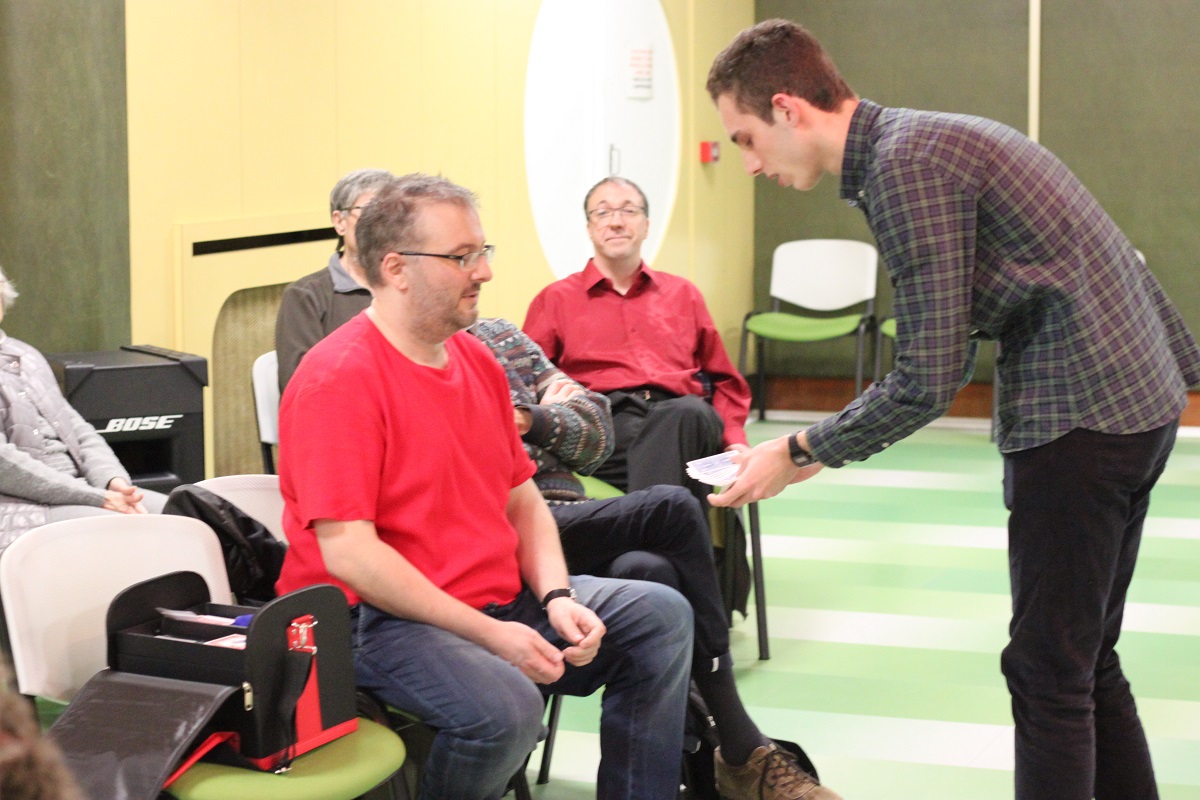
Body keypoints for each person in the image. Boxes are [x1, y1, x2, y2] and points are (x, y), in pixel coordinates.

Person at [707, 19, 1200, 800]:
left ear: (788, 109)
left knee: (1047, 670)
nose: (749, 163)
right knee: (1082, 659)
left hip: (1081, 411)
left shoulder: (904, 167)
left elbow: (930, 375)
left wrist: (797, 451)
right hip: (1139, 397)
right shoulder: (919, 142)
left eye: (745, 139)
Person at [276, 173, 693, 800]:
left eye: (482, 251)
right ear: (396, 268)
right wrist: (491, 635)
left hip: (493, 598)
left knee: (660, 616)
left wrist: (556, 596)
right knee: (506, 710)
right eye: (462, 257)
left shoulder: (475, 360)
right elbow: (351, 555)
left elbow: (522, 499)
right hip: (373, 621)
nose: (485, 271)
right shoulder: (337, 379)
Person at [472, 317, 840, 800]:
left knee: (649, 570)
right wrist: (543, 415)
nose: (479, 278)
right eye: (464, 268)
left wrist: (529, 420)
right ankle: (739, 742)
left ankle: (693, 762)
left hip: (572, 513)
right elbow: (475, 448)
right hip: (512, 524)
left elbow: (594, 432)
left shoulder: (501, 337)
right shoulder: (438, 352)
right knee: (671, 508)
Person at [522, 176, 752, 512]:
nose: (616, 221)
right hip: (604, 428)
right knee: (682, 463)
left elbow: (725, 380)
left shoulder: (683, 294)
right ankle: (678, 536)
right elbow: (527, 381)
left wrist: (734, 441)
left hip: (683, 419)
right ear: (589, 229)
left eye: (628, 211)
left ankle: (647, 533)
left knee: (686, 414)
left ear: (646, 225)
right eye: (602, 212)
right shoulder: (555, 299)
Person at [0, 266, 166, 553]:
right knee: (131, 534)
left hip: (82, 490)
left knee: (186, 515)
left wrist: (114, 482)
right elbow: (6, 466)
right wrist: (96, 497)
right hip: (22, 505)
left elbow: (78, 430)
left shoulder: (27, 354)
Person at [274, 168, 392, 391]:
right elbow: (303, 387)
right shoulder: (306, 296)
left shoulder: (407, 287)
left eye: (391, 214)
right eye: (370, 212)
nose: (382, 225)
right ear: (340, 221)